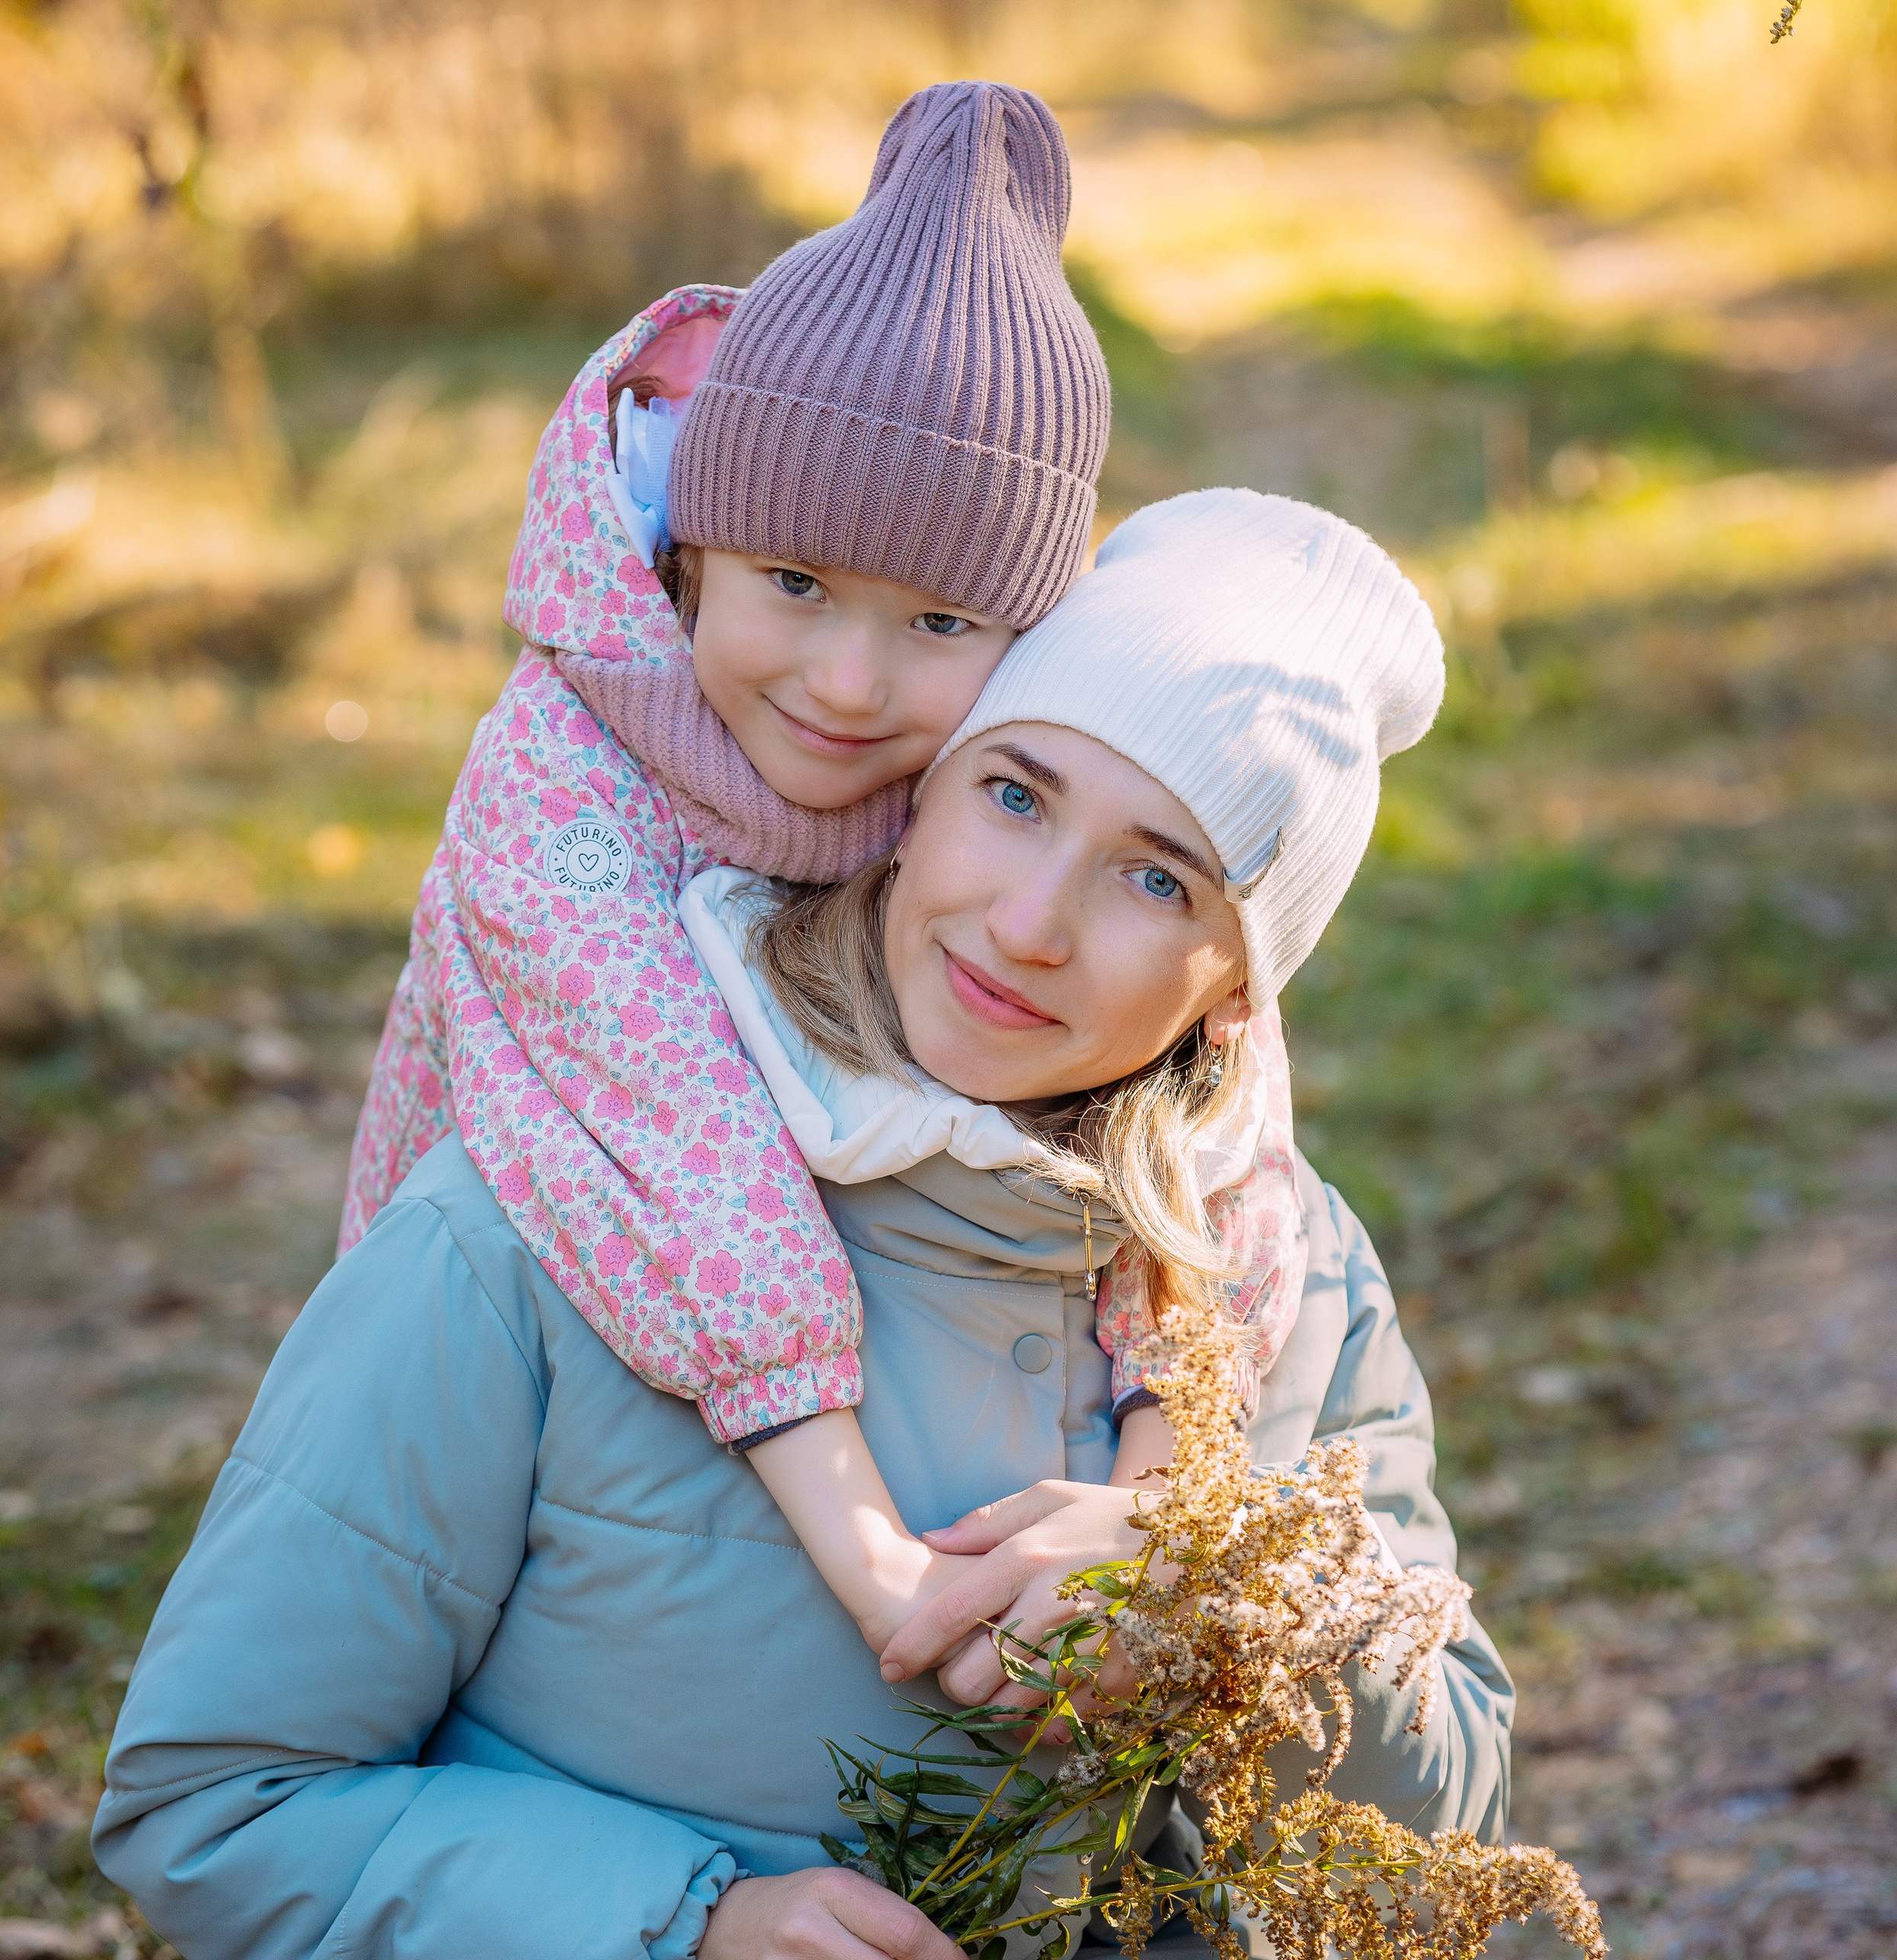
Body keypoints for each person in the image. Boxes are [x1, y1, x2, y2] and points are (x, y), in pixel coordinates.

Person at [94, 491, 1513, 1960]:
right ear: (918, 802)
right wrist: (680, 1929)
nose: (1032, 921)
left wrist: (1232, 1610)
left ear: (1239, 982)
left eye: (1158, 878)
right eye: (1013, 796)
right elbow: (214, 1807)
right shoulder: (550, 1207)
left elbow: (1445, 1831)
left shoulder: (1283, 1277)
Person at [331, 81, 1313, 1657]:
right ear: (694, 552)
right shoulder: (560, 765)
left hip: (864, 1378)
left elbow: (1213, 1064)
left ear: (1016, 635)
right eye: (794, 583)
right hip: (509, 1333)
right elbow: (677, 1128)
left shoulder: (1001, 761)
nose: (848, 689)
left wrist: (1167, 1471)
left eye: (937, 622)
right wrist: (880, 1564)